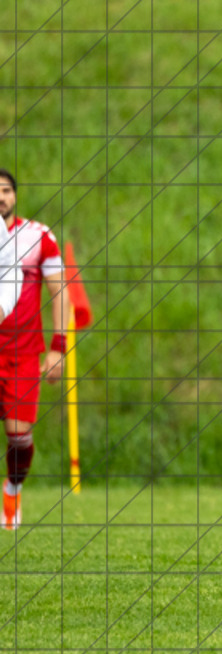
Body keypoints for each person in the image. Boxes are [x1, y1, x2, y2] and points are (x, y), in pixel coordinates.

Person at [0, 170, 70, 530]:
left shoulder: (39, 236)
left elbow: (61, 292)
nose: (1, 197)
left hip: (22, 354)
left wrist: (58, 347)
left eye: (6, 190)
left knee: (19, 437)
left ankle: (12, 488)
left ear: (15, 196)